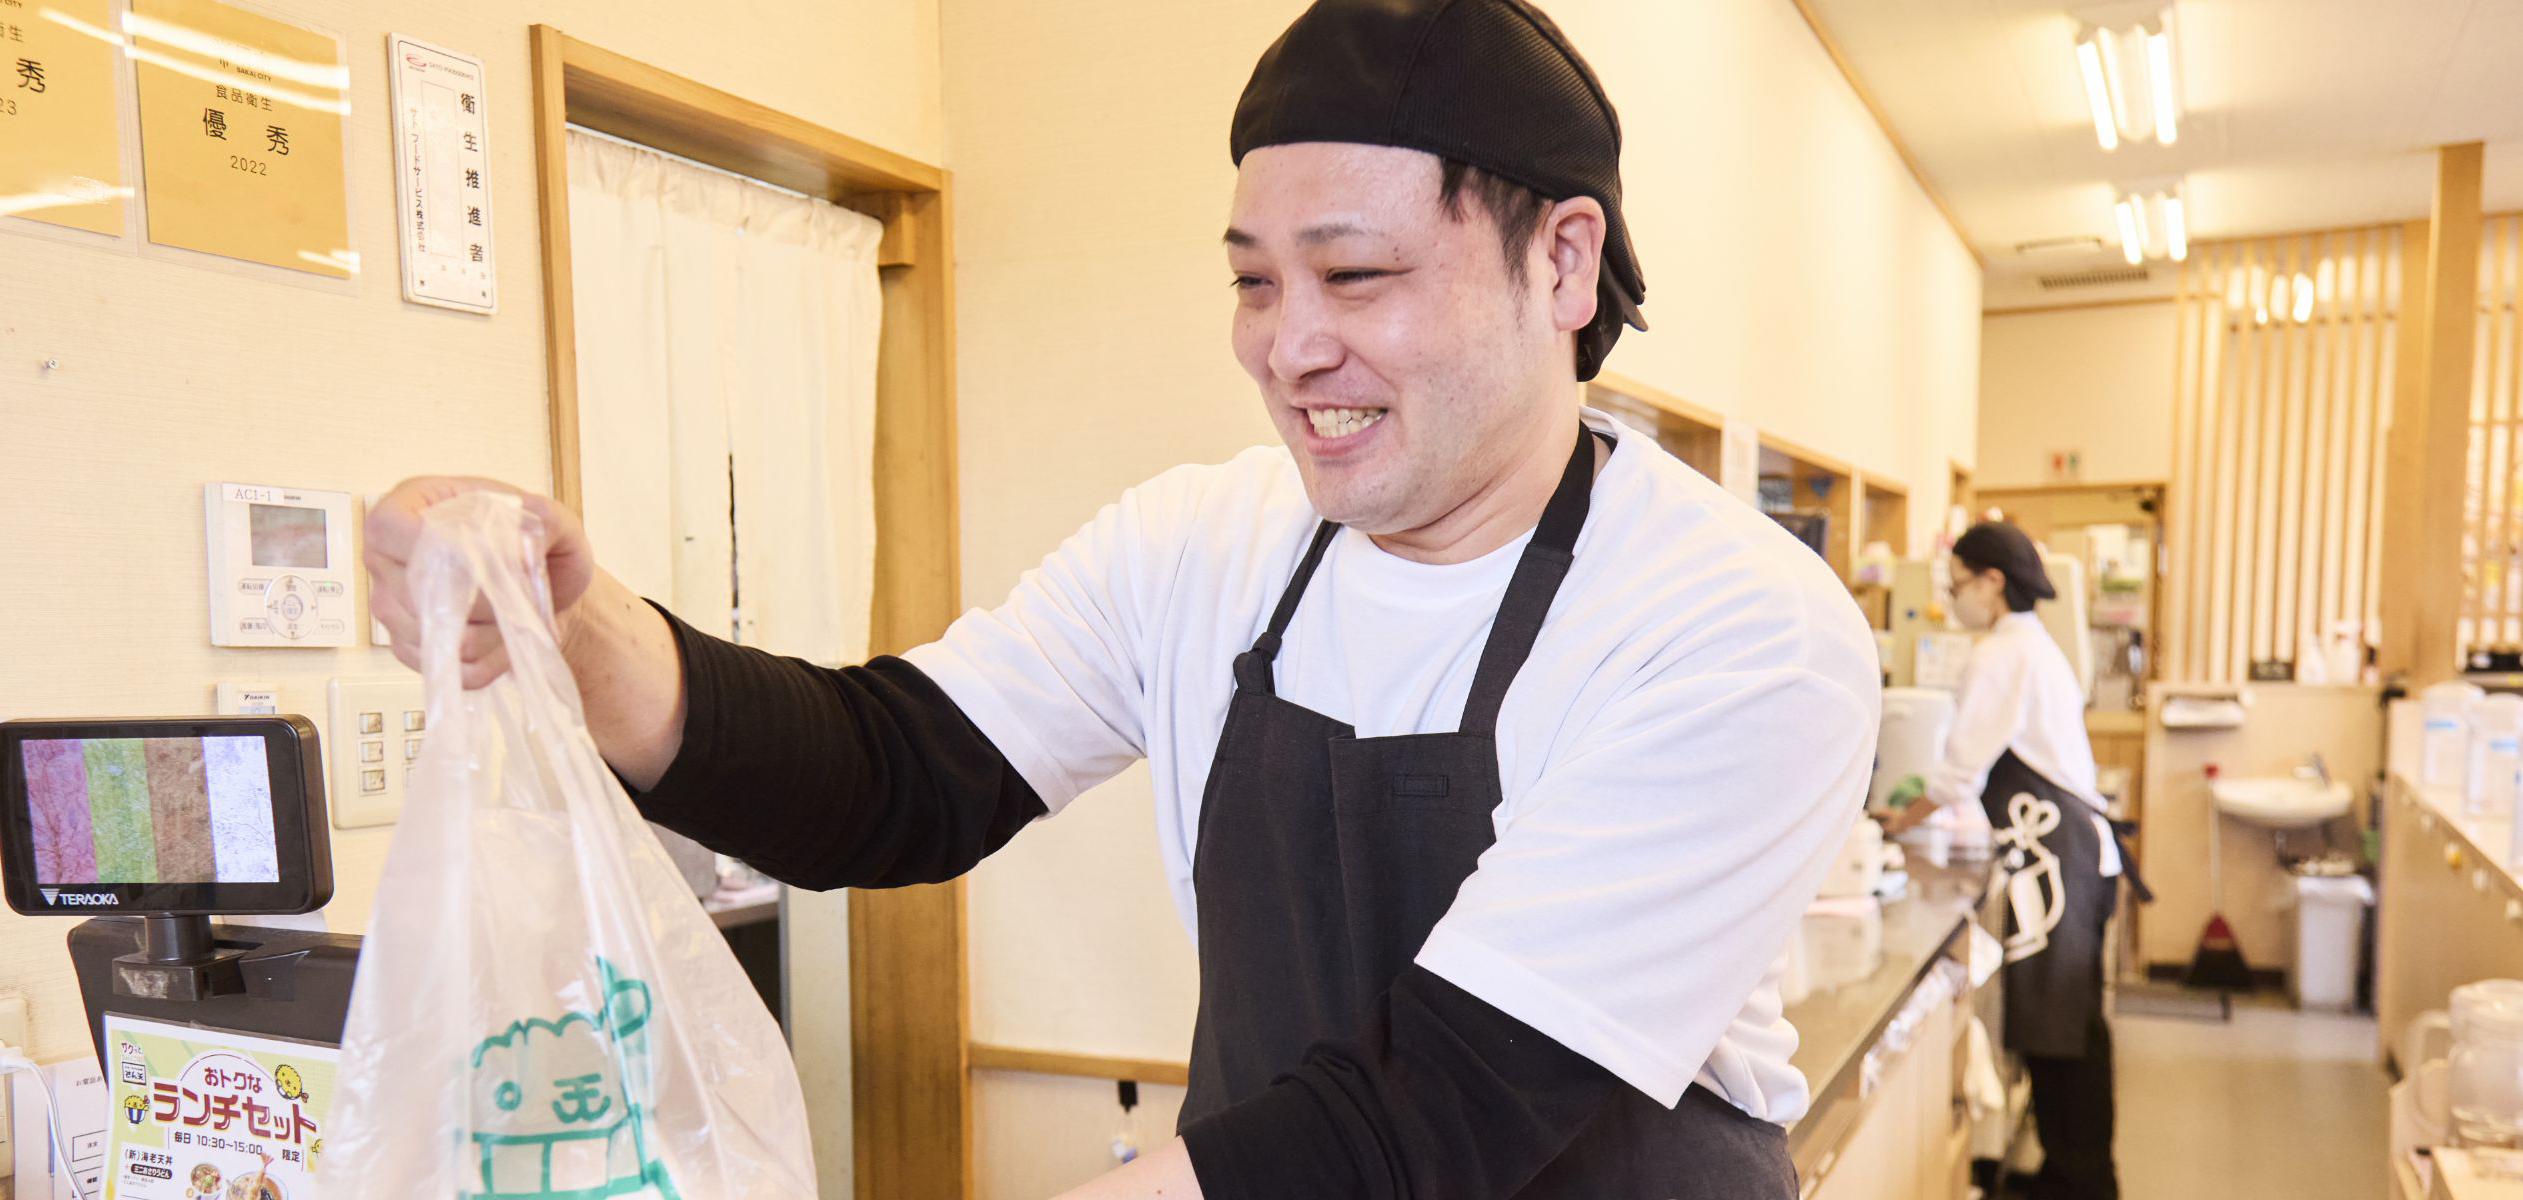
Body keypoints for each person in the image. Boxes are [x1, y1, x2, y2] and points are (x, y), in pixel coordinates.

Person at [365, 1, 1879, 1194]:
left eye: (1352, 278)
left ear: (1563, 263)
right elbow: (894, 776)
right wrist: (579, 632)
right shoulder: (1200, 546)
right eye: (1252, 282)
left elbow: (1444, 1115)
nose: (1288, 350)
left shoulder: (1737, 627)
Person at [1880, 521, 2130, 1200]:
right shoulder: (2030, 647)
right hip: (2071, 853)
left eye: (1956, 585)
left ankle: (2080, 1181)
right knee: (2068, 1025)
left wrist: (1901, 821)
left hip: (2055, 856)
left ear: (1992, 582)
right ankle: (2072, 1171)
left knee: (2060, 1029)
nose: (1952, 600)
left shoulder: (2002, 653)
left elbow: (1959, 771)